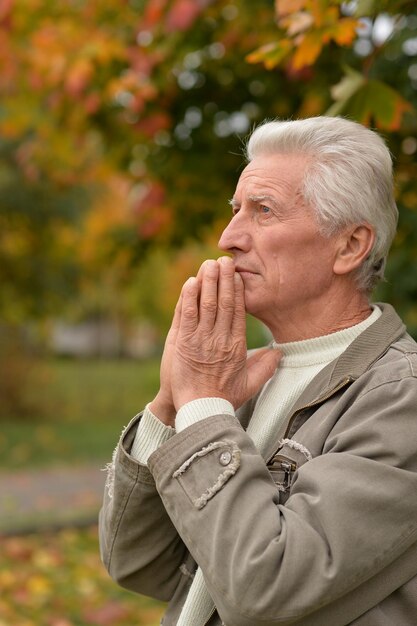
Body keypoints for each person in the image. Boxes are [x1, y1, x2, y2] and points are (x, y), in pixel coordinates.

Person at [99, 116, 417, 626]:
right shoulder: (240, 382)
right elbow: (139, 562)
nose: (228, 237)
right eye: (235, 211)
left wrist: (202, 407)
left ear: (350, 246)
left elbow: (265, 587)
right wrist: (170, 403)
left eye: (263, 211)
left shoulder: (401, 399)